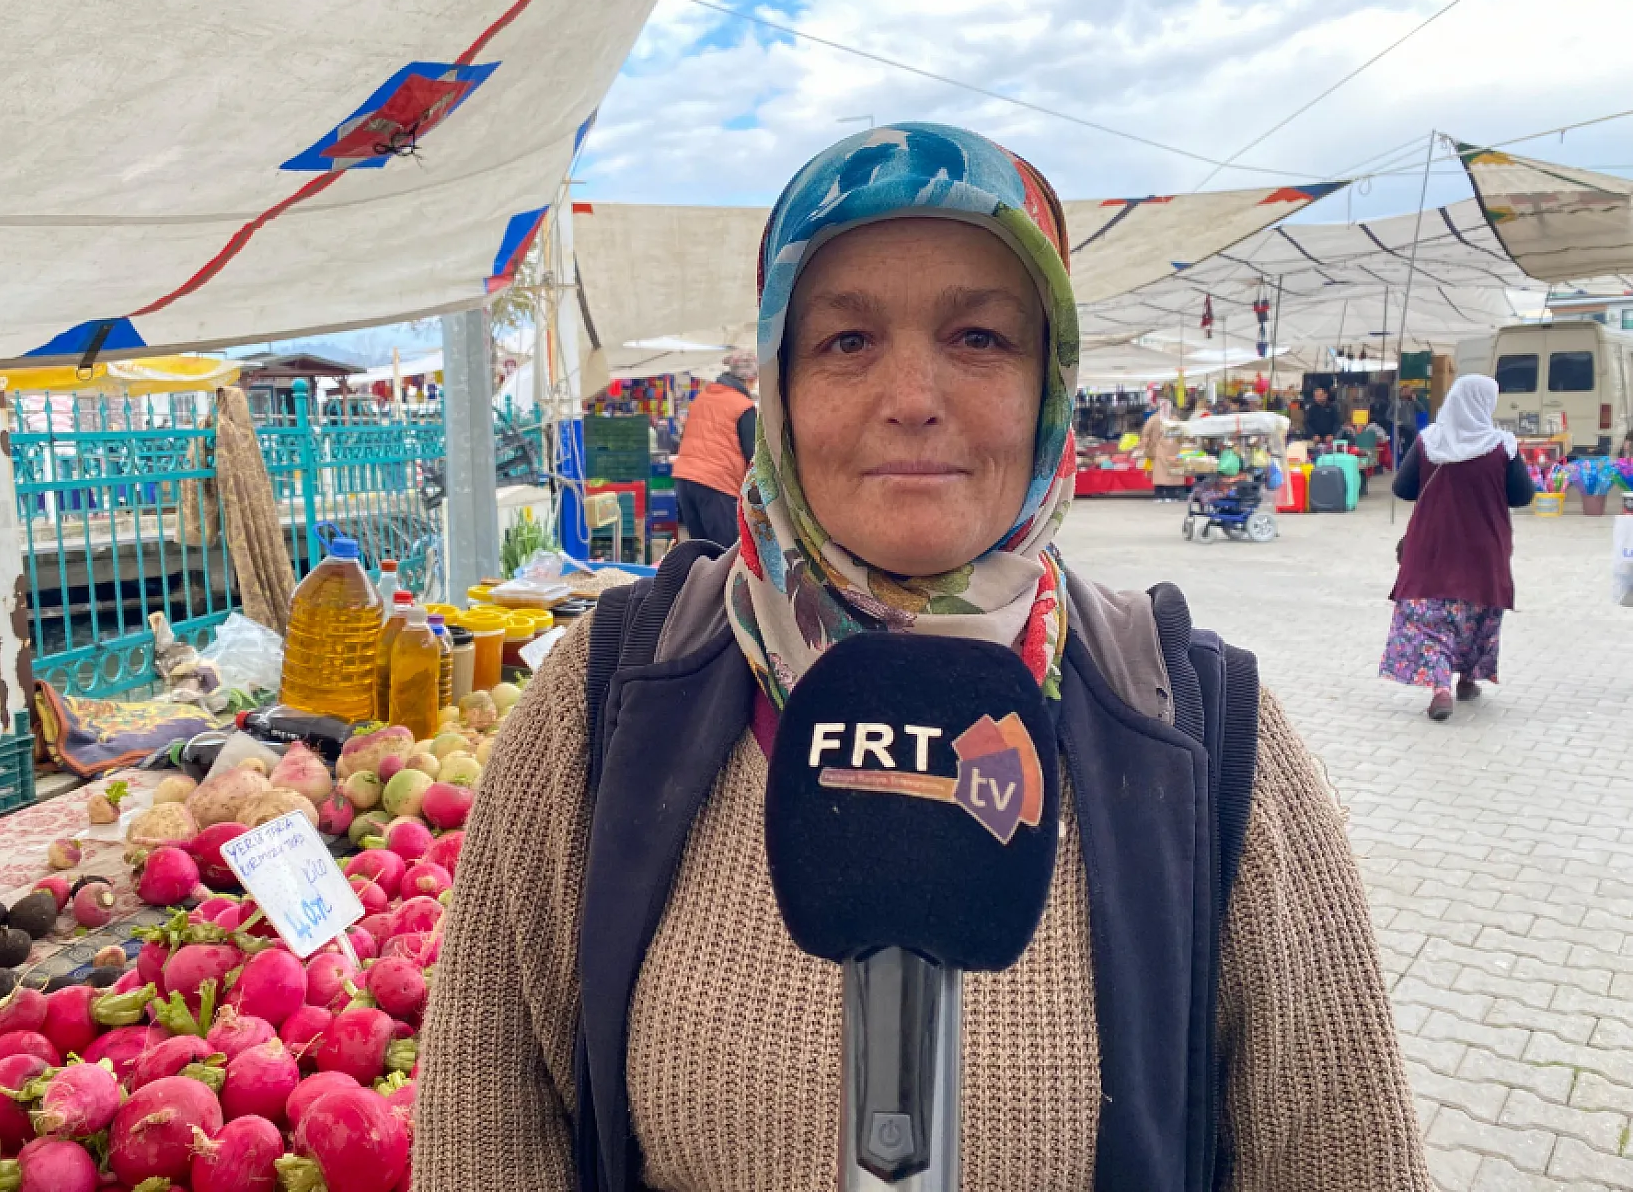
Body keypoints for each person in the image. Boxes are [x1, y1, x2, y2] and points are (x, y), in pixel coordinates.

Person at [416, 123, 1428, 1191]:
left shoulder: (1201, 729)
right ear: (777, 384)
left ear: (1050, 381)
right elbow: (486, 1133)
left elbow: (1344, 1157)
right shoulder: (604, 695)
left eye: (979, 337)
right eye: (846, 340)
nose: (911, 395)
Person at [1383, 375, 1534, 722]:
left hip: (1432, 544)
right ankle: (1467, 679)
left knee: (1431, 618)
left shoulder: (1429, 441)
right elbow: (1522, 496)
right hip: (1484, 546)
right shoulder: (1502, 446)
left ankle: (1440, 689)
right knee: (1477, 612)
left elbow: (1402, 488)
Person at [672, 350, 757, 546]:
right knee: (726, 551)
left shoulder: (702, 397)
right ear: (750, 378)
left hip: (685, 480)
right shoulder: (743, 405)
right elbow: (753, 454)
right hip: (717, 485)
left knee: (701, 550)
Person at [1138, 401, 1185, 501]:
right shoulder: (1175, 419)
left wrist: (1145, 446)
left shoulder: (1154, 418)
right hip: (1174, 450)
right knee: (1173, 474)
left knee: (1159, 474)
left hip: (1159, 449)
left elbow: (1145, 433)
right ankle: (1171, 495)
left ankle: (1159, 495)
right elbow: (1182, 435)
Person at [1394, 384, 1421, 458]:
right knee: (1405, 448)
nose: (1407, 393)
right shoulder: (1397, 403)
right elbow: (1388, 415)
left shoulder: (1412, 403)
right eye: (1405, 391)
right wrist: (1396, 420)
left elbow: (1422, 410)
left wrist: (1415, 400)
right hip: (1403, 429)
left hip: (1413, 429)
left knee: (1414, 448)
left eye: (1408, 391)